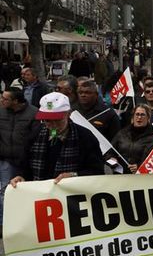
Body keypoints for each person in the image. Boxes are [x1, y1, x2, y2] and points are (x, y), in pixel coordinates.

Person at [10, 92, 104, 186]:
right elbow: (23, 165)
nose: (53, 125)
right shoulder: (35, 134)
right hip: (39, 191)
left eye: (58, 120)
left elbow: (97, 170)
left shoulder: (84, 136)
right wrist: (21, 176)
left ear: (68, 114)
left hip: (71, 193)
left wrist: (74, 175)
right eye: (47, 120)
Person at [0, 88, 39, 231]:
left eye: (5, 99)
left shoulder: (33, 113)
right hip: (4, 158)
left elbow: (36, 137)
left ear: (15, 101)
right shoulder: (1, 111)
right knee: (4, 191)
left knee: (18, 191)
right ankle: (4, 223)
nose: (1, 101)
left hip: (23, 160)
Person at [111, 104, 153, 173]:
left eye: (142, 115)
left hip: (141, 177)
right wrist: (112, 159)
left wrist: (140, 166)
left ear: (148, 118)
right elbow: (110, 151)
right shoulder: (122, 133)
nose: (139, 117)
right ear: (133, 117)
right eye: (137, 114)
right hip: (120, 176)